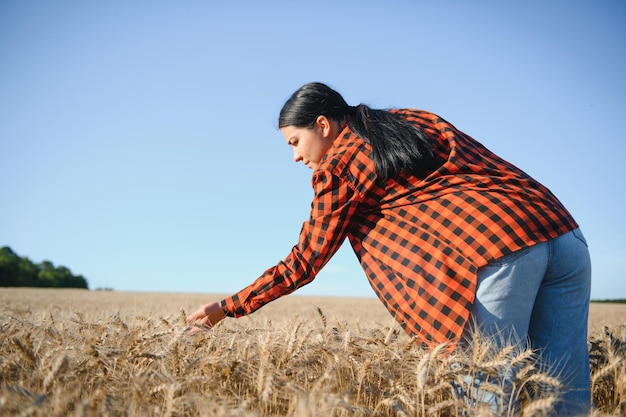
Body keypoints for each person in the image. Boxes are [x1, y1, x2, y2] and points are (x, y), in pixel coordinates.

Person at [186, 82, 591, 415]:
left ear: (323, 125)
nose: (295, 156)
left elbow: (305, 261)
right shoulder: (410, 120)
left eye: (295, 141)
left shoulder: (339, 167)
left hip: (496, 252)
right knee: (564, 394)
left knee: (486, 398)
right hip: (559, 229)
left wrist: (228, 307)